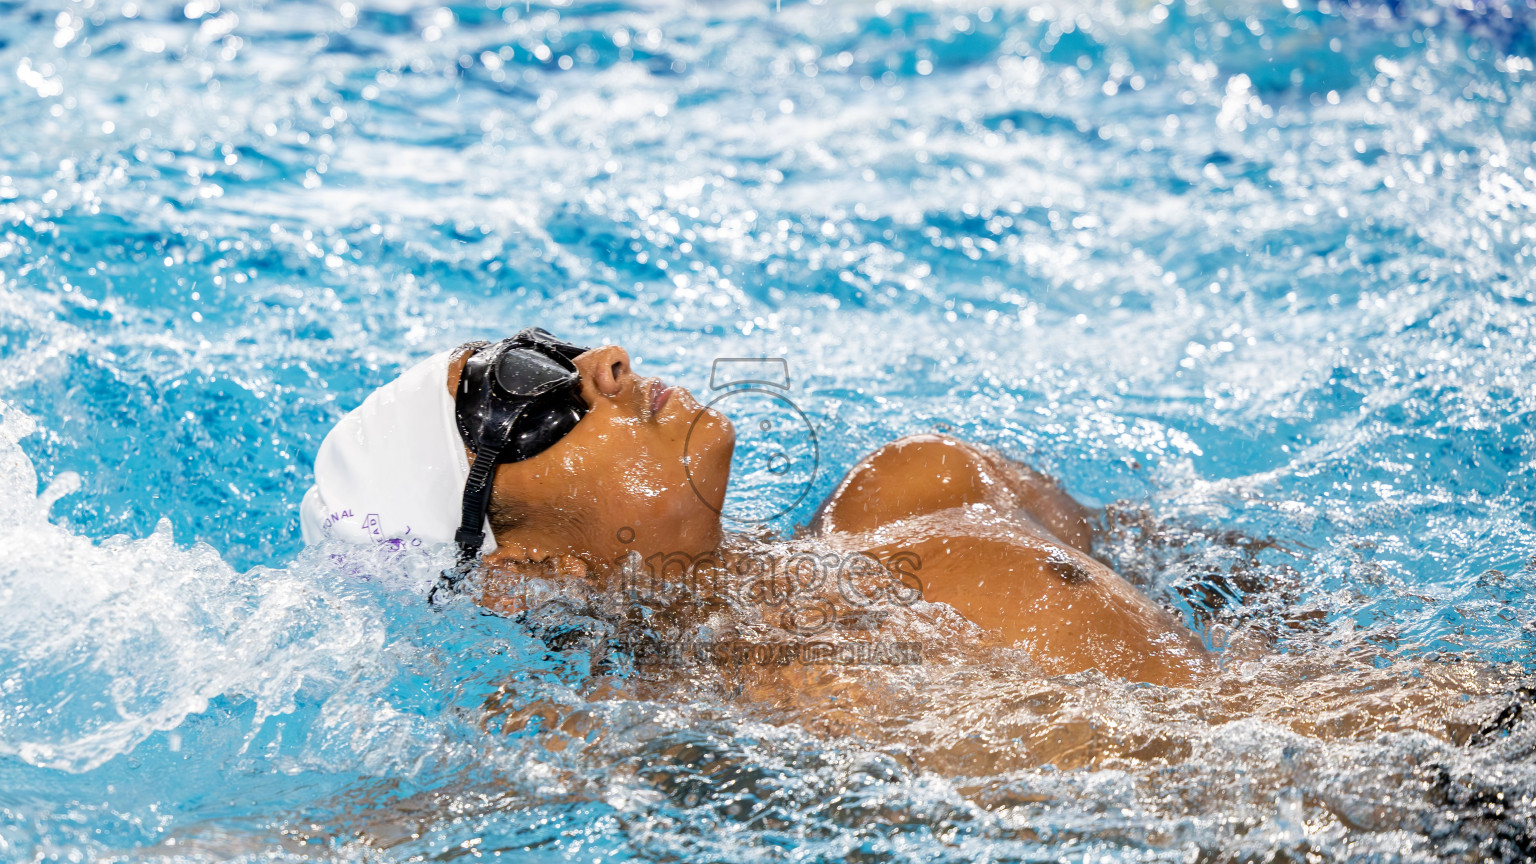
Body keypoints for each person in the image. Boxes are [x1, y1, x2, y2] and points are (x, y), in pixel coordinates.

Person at [301, 328, 1211, 689]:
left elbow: (1237, 581)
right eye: (530, 396)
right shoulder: (758, 712)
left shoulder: (930, 479)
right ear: (527, 570)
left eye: (550, 348)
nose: (605, 362)